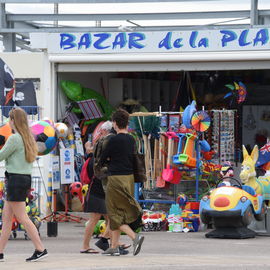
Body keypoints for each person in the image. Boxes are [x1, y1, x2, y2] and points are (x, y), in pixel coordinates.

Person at [0, 107, 47, 262]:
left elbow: (1, 156)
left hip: (15, 180)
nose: (8, 122)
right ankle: (0, 251)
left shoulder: (14, 138)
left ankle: (40, 248)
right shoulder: (27, 137)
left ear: (14, 121)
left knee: (22, 217)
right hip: (22, 179)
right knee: (7, 219)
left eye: (9, 119)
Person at [99, 109, 144, 256]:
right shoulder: (131, 139)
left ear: (115, 123)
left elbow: (103, 158)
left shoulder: (113, 140)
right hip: (129, 178)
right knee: (120, 212)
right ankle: (113, 246)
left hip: (116, 178)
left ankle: (134, 237)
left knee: (113, 213)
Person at [81, 121, 130, 255]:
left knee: (111, 218)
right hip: (97, 186)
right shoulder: (104, 144)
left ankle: (110, 242)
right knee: (97, 218)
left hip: (102, 186)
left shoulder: (102, 144)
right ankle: (87, 245)